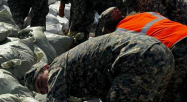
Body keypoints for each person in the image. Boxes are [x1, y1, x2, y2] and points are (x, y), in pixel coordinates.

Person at [24, 32, 174, 102]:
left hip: (136, 57)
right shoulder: (72, 70)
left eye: (41, 83)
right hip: (161, 54)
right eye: (42, 91)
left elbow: (55, 100)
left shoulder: (57, 66)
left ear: (46, 67)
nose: (46, 88)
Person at [96, 7, 187, 102]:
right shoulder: (148, 14)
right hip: (184, 34)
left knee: (169, 92)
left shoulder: (120, 33)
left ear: (108, 28)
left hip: (176, 48)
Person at [46, 0, 124, 45]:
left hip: (113, 0)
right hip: (103, 1)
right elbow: (79, 12)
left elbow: (78, 15)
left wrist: (72, 33)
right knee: (85, 25)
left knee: (103, 34)